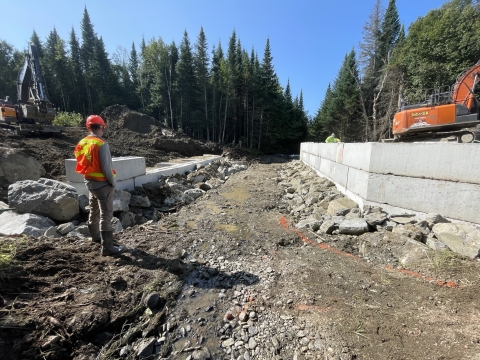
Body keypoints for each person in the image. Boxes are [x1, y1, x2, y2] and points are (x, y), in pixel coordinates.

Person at [74, 115, 126, 256]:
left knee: (94, 210)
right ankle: (107, 247)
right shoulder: (101, 144)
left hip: (90, 182)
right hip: (103, 185)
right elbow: (106, 168)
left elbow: (83, 163)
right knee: (106, 214)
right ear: (102, 127)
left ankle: (95, 237)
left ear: (88, 127)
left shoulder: (82, 142)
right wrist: (112, 183)